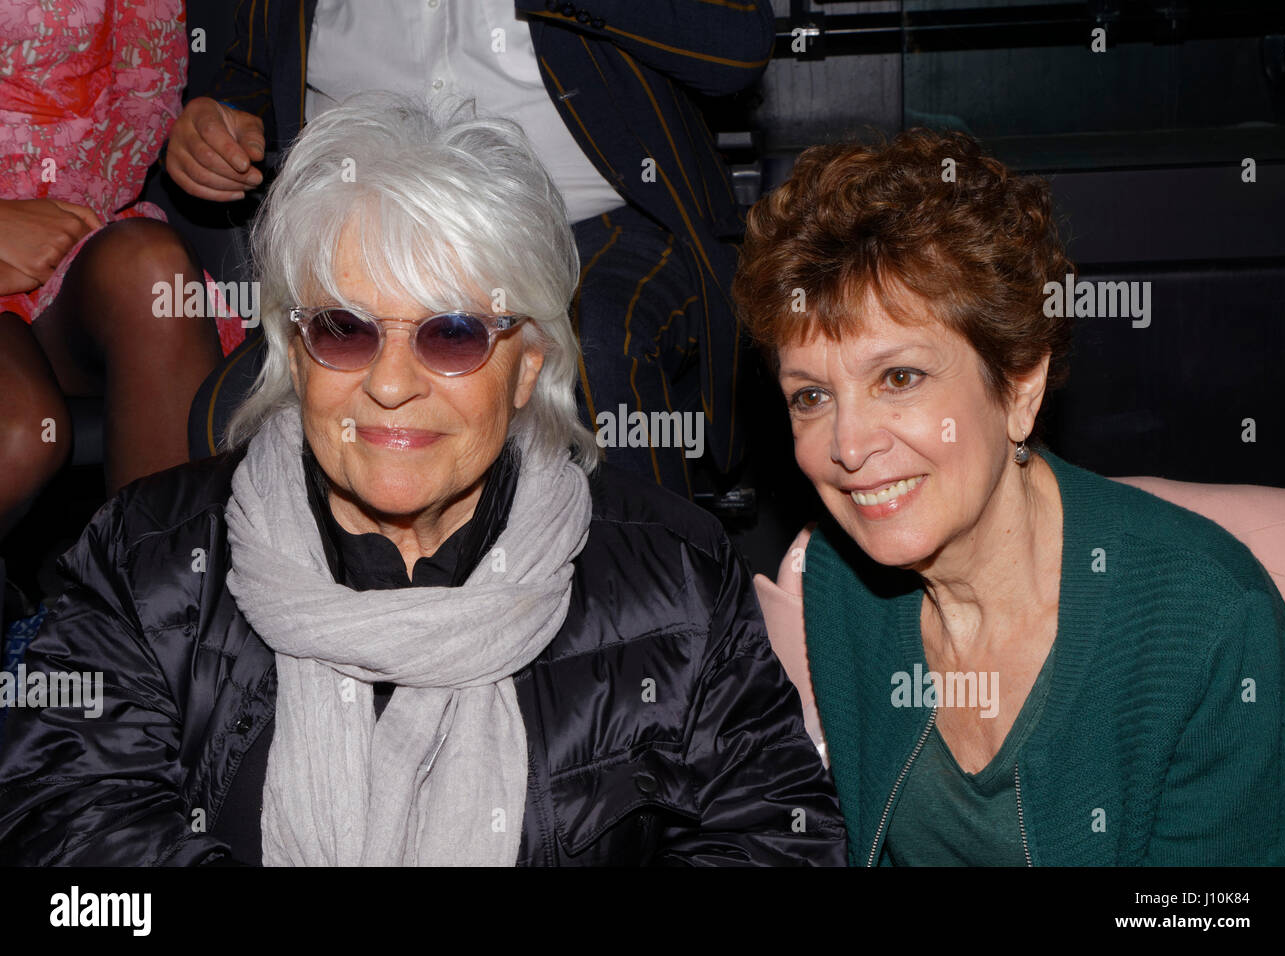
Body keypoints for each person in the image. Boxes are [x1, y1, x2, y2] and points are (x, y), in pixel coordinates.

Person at [0, 96, 845, 866]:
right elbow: (68, 836)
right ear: (294, 352)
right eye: (342, 328)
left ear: (527, 368)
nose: (392, 383)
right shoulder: (144, 561)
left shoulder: (676, 576)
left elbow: (774, 838)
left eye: (450, 335)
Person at [731, 128, 1285, 865]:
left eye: (897, 379)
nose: (847, 445)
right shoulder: (841, 583)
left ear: (1020, 386)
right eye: (810, 395)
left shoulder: (1210, 625)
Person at [166, 0, 775, 497]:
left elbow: (738, 42)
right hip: (364, 243)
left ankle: (655, 619)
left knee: (599, 359)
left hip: (590, 221)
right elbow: (248, 70)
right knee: (226, 412)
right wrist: (223, 120)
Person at [0, 0, 237, 549]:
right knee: (18, 435)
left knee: (154, 275)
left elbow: (144, 98)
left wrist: (54, 226)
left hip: (69, 235)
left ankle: (158, 620)